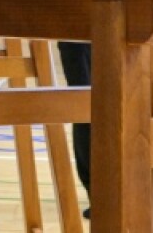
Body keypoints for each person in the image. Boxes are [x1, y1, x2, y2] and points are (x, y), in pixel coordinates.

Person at [56, 40, 92, 218]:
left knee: (86, 109)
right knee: (85, 108)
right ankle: (98, 192)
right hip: (76, 36)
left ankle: (101, 192)